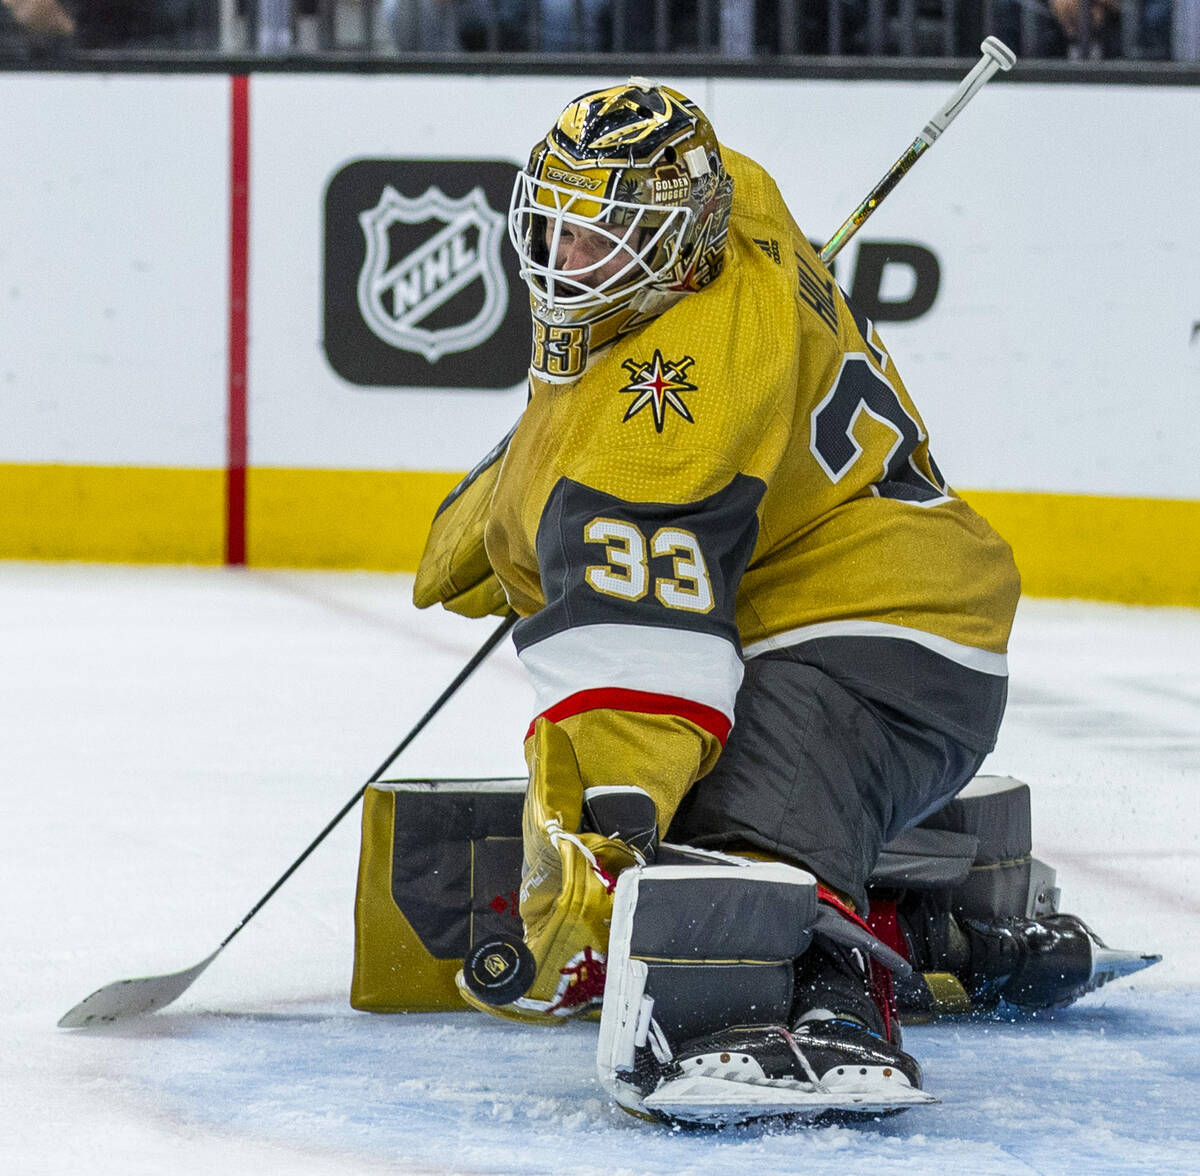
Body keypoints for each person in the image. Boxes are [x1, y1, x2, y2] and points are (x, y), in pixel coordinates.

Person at [410, 80, 1130, 1125]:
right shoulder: (735, 201)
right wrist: (528, 495)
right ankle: (941, 934)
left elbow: (639, 664)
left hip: (884, 642)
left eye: (605, 240)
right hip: (868, 616)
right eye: (559, 228)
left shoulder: (671, 411)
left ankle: (844, 1000)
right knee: (721, 801)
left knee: (723, 837)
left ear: (683, 241)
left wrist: (611, 844)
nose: (568, 263)